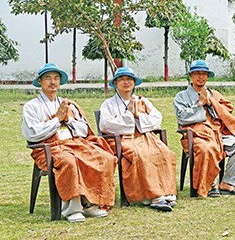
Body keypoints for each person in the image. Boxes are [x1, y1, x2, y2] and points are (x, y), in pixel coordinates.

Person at [22, 63, 116, 222]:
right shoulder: (31, 106)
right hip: (48, 149)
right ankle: (72, 209)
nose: (53, 81)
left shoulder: (68, 104)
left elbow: (84, 131)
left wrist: (68, 120)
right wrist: (57, 120)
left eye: (56, 78)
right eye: (48, 78)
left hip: (74, 144)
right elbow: (32, 134)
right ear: (39, 81)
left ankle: (92, 203)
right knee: (70, 161)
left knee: (103, 157)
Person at [99, 67, 177, 211]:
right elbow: (105, 125)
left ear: (134, 82)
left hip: (145, 136)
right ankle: (154, 196)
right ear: (115, 83)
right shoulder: (108, 104)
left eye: (129, 79)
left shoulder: (143, 101)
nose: (126, 82)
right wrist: (129, 115)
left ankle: (167, 193)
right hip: (123, 139)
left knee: (166, 153)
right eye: (121, 79)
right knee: (141, 155)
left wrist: (138, 116)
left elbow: (157, 120)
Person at [173, 60, 235, 197]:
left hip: (218, 134)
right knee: (208, 148)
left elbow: (227, 111)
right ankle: (212, 185)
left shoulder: (214, 94)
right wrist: (200, 105)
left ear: (208, 76)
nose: (201, 77)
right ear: (191, 75)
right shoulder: (181, 96)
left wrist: (212, 103)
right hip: (197, 136)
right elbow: (182, 117)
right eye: (197, 73)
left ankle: (227, 183)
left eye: (204, 74)